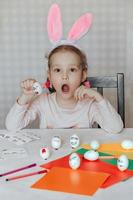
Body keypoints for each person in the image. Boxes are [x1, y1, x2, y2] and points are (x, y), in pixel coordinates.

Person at [5, 44, 123, 133]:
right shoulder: (43, 102)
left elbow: (116, 128)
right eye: (57, 70)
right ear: (49, 75)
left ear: (83, 74)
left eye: (72, 70)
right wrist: (24, 98)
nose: (64, 76)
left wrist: (99, 98)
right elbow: (12, 126)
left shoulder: (89, 105)